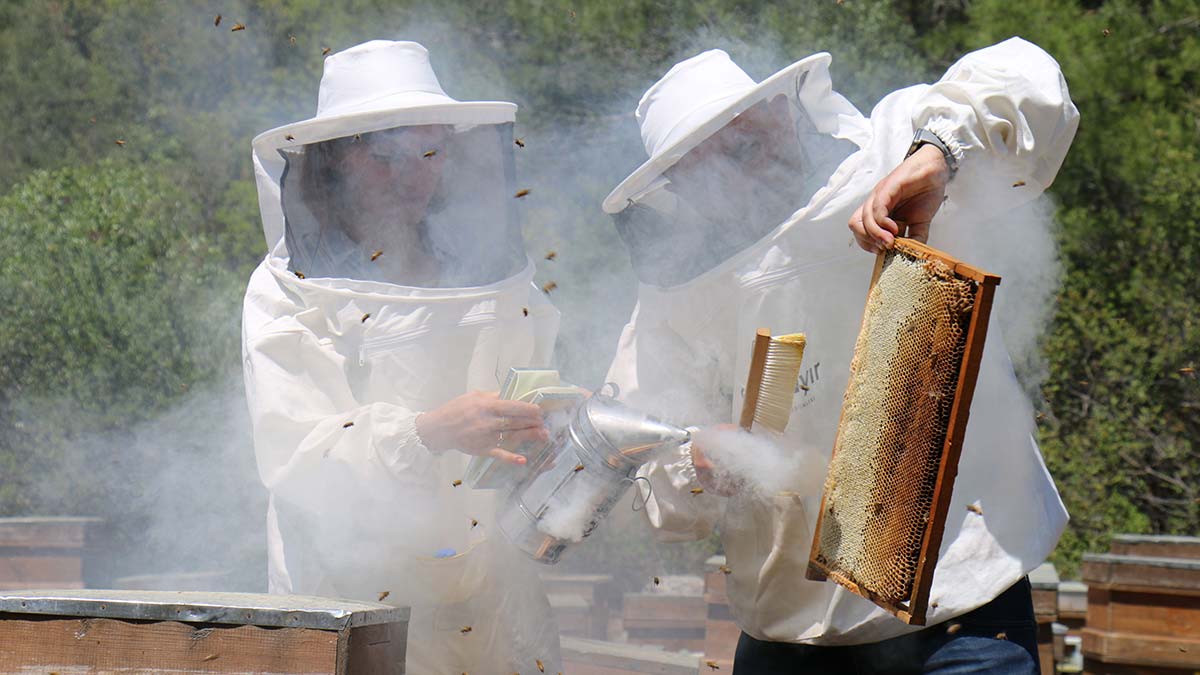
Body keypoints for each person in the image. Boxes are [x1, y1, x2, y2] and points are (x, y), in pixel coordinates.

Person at [602, 38, 1079, 673]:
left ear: (782, 108)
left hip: (957, 617)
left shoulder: (892, 150)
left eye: (745, 136)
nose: (737, 163)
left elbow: (1029, 81)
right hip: (789, 639)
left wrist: (940, 155)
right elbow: (652, 471)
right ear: (679, 181)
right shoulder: (672, 300)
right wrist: (696, 462)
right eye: (708, 157)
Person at [242, 40, 561, 675]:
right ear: (336, 161)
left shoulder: (490, 275)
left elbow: (532, 380)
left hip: (491, 601)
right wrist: (427, 433)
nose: (416, 173)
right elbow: (294, 456)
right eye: (389, 156)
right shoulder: (285, 293)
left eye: (431, 151)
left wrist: (549, 432)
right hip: (356, 603)